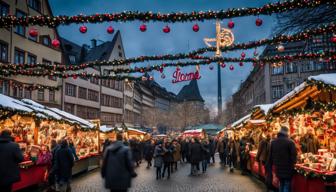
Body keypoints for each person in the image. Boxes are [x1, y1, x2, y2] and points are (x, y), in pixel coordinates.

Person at [267, 126, 297, 192]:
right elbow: (294, 156)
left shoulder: (273, 142)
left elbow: (270, 156)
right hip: (288, 168)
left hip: (278, 167)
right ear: (287, 132)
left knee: (281, 184)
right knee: (286, 184)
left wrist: (270, 166)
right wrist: (293, 163)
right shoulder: (290, 142)